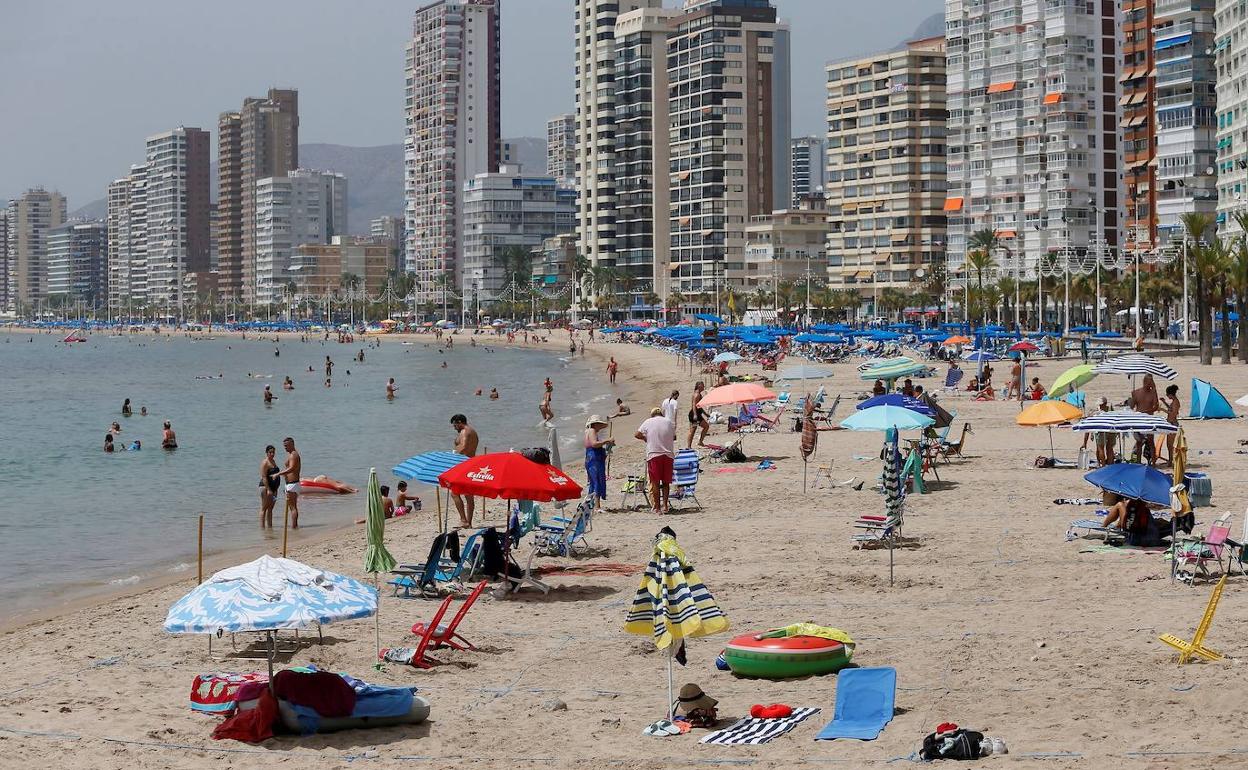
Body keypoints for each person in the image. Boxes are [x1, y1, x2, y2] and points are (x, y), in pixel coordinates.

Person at [635, 407, 676, 514]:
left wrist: (645, 438)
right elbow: (674, 437)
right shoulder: (669, 422)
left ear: (652, 415)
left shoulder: (648, 422)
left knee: (655, 483)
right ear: (661, 414)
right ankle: (666, 506)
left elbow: (637, 434)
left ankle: (657, 508)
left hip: (654, 454)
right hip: (668, 454)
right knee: (666, 482)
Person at [450, 414, 479, 527]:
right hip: (471, 463)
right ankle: (469, 522)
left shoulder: (464, 432)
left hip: (463, 465)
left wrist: (452, 455)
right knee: (468, 495)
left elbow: (463, 447)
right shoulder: (473, 432)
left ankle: (463, 520)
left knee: (454, 493)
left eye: (455, 425)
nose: (454, 428)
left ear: (460, 422)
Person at [583, 415, 614, 509]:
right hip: (594, 458)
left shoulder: (588, 432)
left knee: (594, 480)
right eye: (599, 424)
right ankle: (597, 506)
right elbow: (594, 444)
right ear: (595, 424)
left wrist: (607, 445)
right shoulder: (591, 431)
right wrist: (607, 440)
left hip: (591, 457)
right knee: (597, 480)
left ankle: (591, 503)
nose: (601, 426)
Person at [279, 437, 302, 528]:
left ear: (292, 444)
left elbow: (292, 468)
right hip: (290, 484)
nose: (285, 448)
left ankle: (294, 526)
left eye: (287, 446)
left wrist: (279, 473)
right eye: (284, 446)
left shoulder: (294, 455)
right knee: (291, 507)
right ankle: (294, 525)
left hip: (293, 483)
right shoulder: (290, 454)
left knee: (293, 507)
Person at [259, 444, 280, 528]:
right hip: (265, 487)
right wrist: (268, 489)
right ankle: (262, 528)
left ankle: (270, 527)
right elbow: (264, 477)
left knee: (271, 508)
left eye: (273, 452)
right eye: (270, 452)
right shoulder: (265, 462)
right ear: (266, 453)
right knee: (264, 508)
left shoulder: (274, 461)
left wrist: (275, 489)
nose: (272, 454)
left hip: (274, 488)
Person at [1161, 384, 1181, 465]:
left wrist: (1162, 409)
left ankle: (1171, 461)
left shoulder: (1176, 402)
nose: (1166, 395)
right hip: (1171, 423)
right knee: (1169, 444)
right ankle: (1170, 460)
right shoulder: (1174, 401)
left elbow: (1173, 414)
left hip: (1173, 424)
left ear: (1170, 394)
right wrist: (1164, 402)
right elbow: (1170, 409)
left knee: (1170, 445)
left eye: (1167, 394)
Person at [687, 384, 710, 448]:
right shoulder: (696, 395)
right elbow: (694, 405)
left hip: (698, 414)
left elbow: (699, 406)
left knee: (706, 426)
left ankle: (700, 441)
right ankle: (689, 446)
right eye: (703, 386)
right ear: (699, 386)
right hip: (695, 414)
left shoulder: (698, 394)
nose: (704, 387)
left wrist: (705, 414)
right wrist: (695, 415)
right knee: (693, 430)